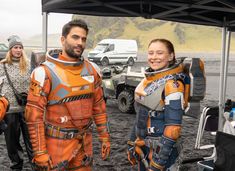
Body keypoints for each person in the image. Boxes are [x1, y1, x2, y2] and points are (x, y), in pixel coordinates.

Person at [25, 19, 110, 170]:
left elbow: (99, 107)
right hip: (55, 148)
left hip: (84, 146)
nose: (80, 43)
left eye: (83, 39)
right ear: (63, 40)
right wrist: (39, 152)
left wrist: (104, 137)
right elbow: (33, 116)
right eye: (75, 37)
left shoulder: (92, 71)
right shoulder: (43, 73)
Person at [127, 38, 186, 171]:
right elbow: (140, 118)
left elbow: (173, 130)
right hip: (144, 148)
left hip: (165, 153)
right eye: (151, 53)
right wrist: (132, 142)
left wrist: (158, 163)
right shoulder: (147, 82)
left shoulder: (173, 85)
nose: (154, 57)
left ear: (170, 56)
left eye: (159, 53)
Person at [0, 35, 33, 170]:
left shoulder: (29, 65)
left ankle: (36, 164)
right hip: (10, 111)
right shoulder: (2, 65)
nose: (18, 50)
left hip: (27, 110)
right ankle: (16, 166)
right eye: (15, 47)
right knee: (12, 143)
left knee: (32, 141)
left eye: (20, 47)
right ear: (10, 49)